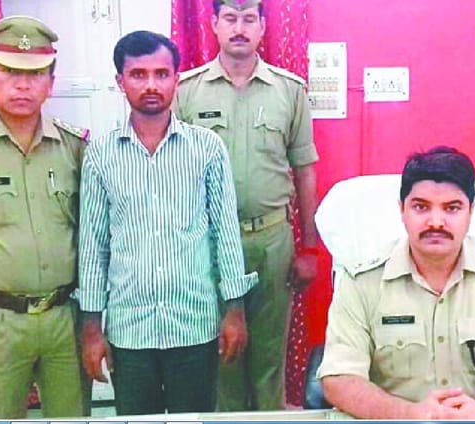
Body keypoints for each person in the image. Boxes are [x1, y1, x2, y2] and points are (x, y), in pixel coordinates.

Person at [77, 30, 257, 415]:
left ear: (177, 78)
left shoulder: (206, 148)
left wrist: (234, 310)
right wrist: (91, 328)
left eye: (161, 74)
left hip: (193, 324)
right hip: (130, 329)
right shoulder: (101, 155)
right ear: (120, 81)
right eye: (138, 75)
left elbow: (225, 234)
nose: (151, 85)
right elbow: (93, 246)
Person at [318, 146, 475, 419]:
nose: (436, 222)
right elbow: (340, 378)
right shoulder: (361, 281)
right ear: (402, 210)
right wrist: (409, 414)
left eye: (452, 208)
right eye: (421, 207)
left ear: (471, 212)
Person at [175, 0, 319, 411]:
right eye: (230, 19)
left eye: (248, 19)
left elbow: (305, 169)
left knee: (270, 355)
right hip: (208, 244)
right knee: (223, 353)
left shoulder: (288, 91)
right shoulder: (187, 91)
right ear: (214, 24)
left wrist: (309, 247)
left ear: (262, 27)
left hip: (271, 240)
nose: (239, 28)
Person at [0, 16, 88, 418]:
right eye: (10, 71)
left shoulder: (74, 146)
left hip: (64, 318)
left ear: (51, 83)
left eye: (35, 74)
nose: (23, 85)